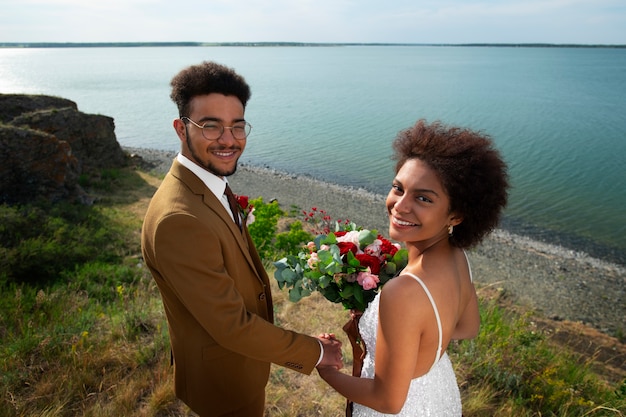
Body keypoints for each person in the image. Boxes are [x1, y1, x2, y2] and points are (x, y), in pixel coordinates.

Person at [141, 61, 342, 417]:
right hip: (224, 382)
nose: (229, 140)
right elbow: (231, 326)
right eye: (211, 126)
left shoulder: (204, 182)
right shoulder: (179, 219)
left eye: (237, 126)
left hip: (240, 366)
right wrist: (316, 351)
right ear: (180, 128)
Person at [317, 119, 509, 416]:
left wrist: (327, 371)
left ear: (456, 215)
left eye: (423, 198)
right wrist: (408, 337)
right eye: (398, 188)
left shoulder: (404, 291)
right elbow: (468, 327)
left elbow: (388, 401)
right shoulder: (458, 257)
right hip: (436, 393)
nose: (400, 206)